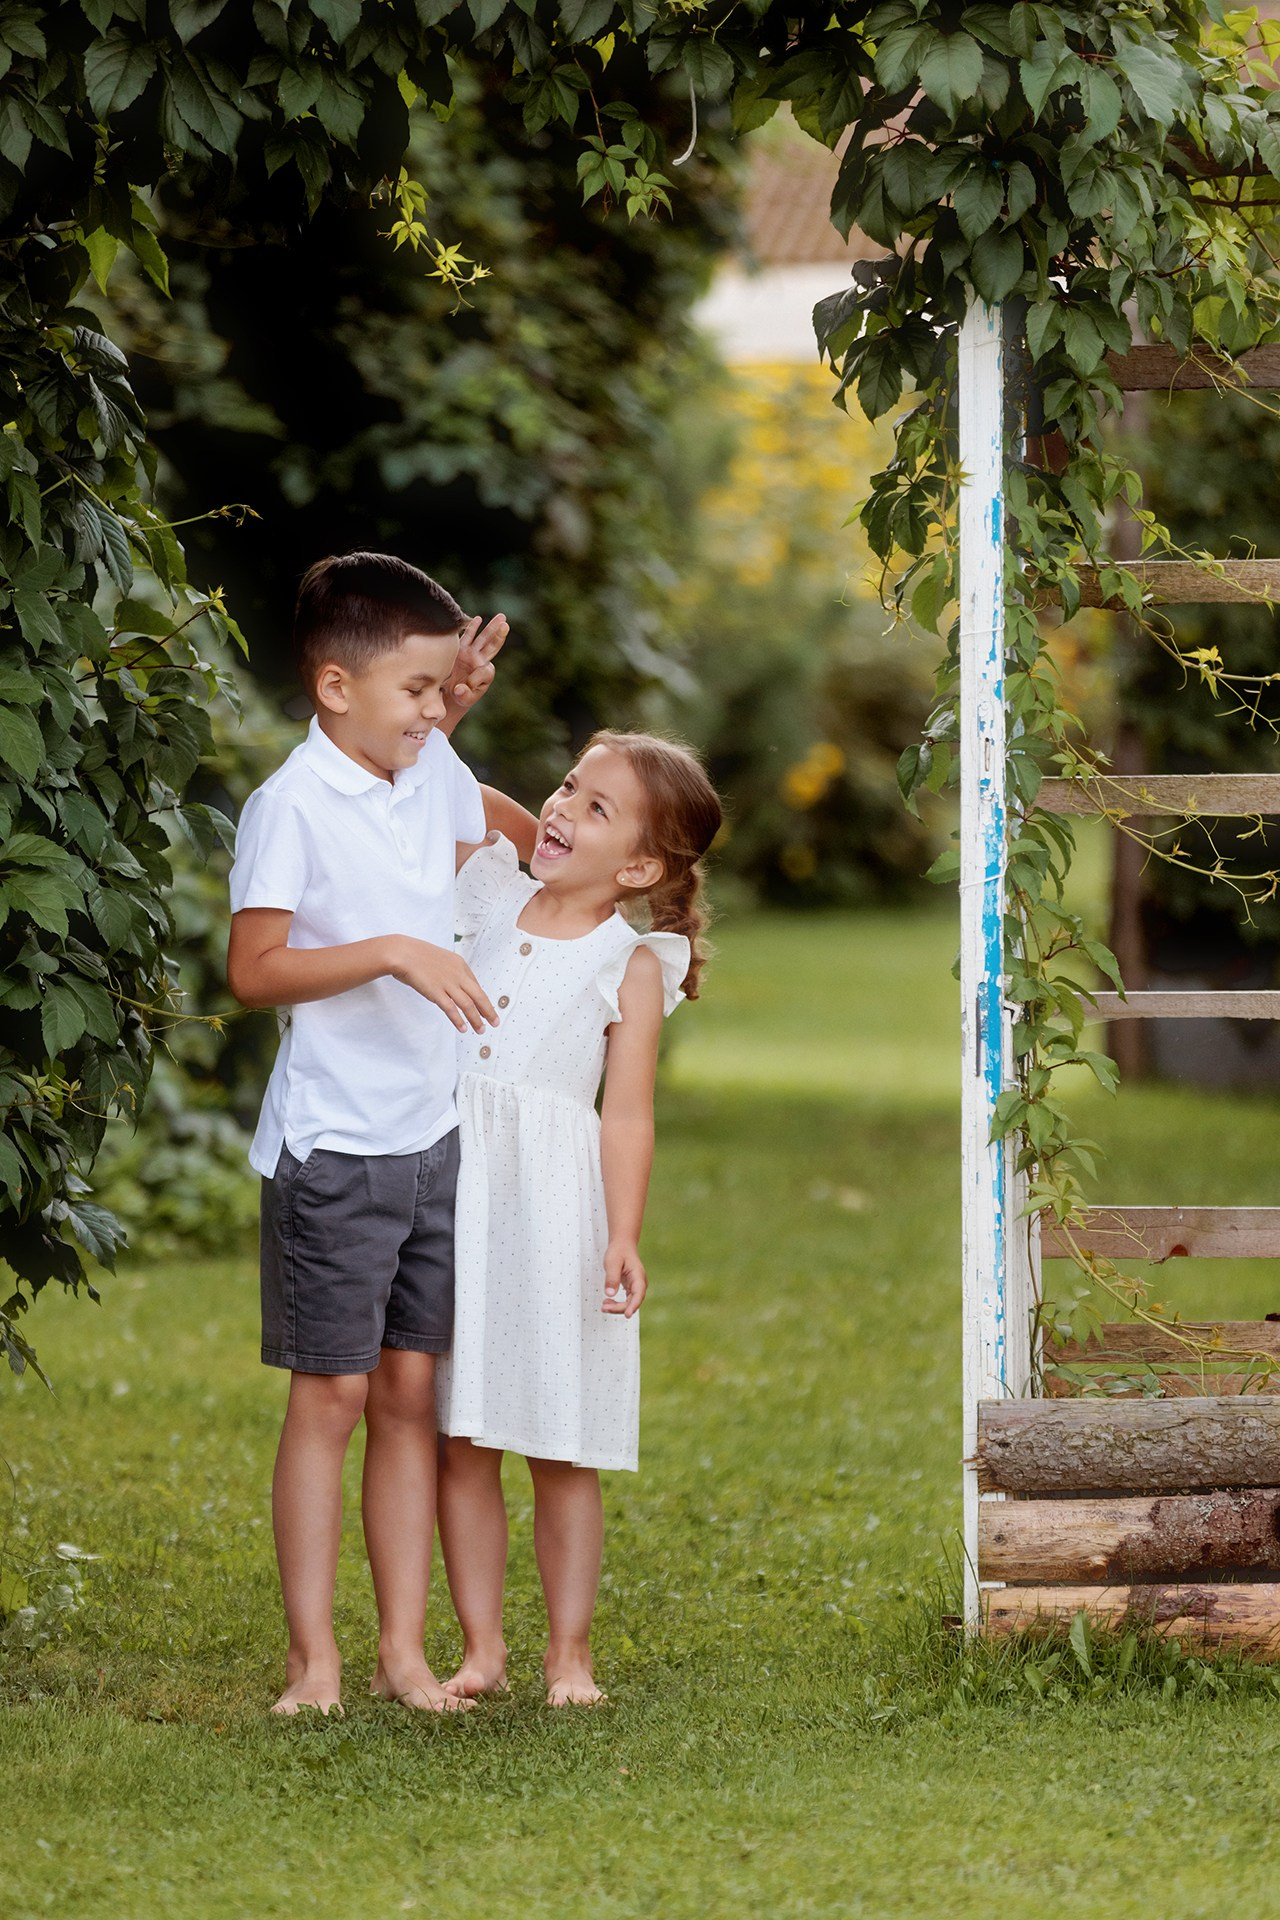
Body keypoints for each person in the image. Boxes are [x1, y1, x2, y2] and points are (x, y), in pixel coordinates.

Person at [225, 550, 535, 1716]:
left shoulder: (426, 770)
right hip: (335, 1153)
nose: (431, 707)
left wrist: (442, 724)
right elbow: (255, 970)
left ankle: (403, 1655)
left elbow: (515, 843)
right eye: (410, 690)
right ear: (333, 687)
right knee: (334, 1399)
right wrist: (398, 950)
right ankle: (316, 1664)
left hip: (435, 1141)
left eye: (437, 689)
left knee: (411, 1395)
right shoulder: (291, 805)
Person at [435, 731, 722, 1706]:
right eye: (565, 786)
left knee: (559, 1443)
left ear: (640, 867)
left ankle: (569, 1656)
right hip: (454, 1191)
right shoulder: (484, 893)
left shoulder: (626, 962)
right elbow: (463, 792)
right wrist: (537, 823)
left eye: (595, 809)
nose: (559, 808)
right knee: (461, 1432)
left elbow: (626, 1113)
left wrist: (622, 1233)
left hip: (555, 1206)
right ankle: (481, 1649)